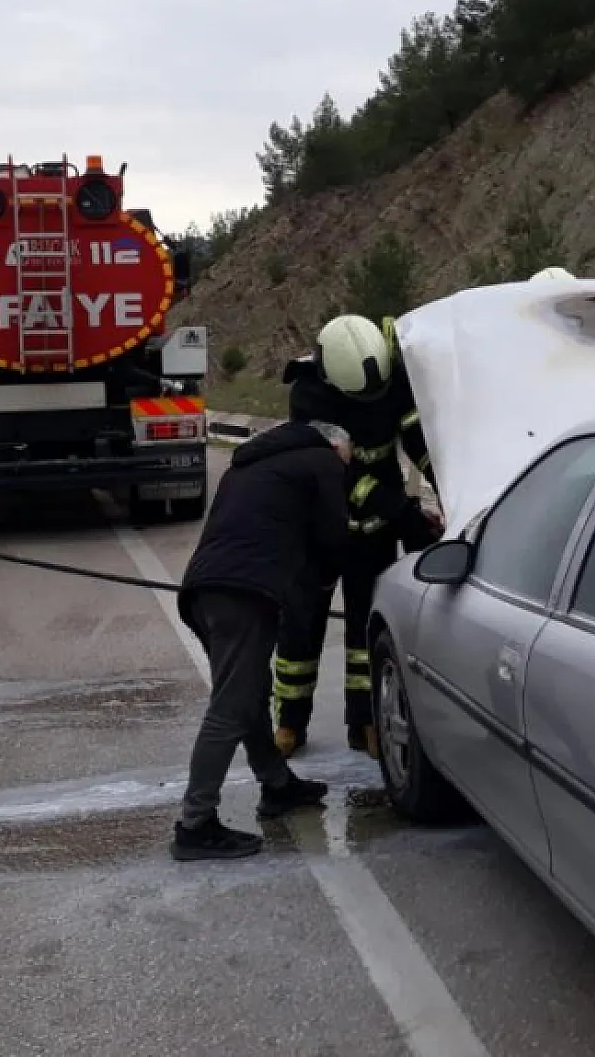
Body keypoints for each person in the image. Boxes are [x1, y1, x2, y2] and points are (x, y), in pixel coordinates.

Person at [171, 418, 353, 862]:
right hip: (244, 597)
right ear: (336, 446)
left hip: (206, 591)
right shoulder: (321, 462)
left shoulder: (252, 463)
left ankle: (277, 784)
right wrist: (325, 584)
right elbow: (332, 537)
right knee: (231, 708)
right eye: (349, 458)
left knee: (249, 695)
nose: (348, 467)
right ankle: (195, 824)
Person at [277, 314, 441, 759]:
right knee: (301, 627)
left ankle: (365, 722)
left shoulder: (391, 376)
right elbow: (340, 474)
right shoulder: (310, 394)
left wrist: (448, 485)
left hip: (374, 534)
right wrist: (400, 511)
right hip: (320, 526)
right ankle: (290, 722)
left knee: (366, 631)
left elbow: (418, 440)